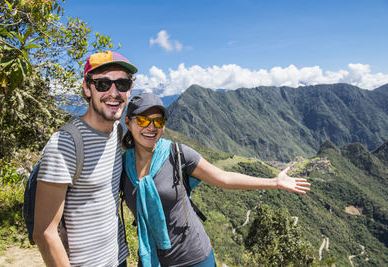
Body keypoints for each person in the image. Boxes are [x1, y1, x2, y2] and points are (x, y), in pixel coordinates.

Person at [121, 93, 311, 267]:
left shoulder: (177, 154)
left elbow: (224, 178)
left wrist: (273, 182)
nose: (151, 127)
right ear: (128, 123)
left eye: (158, 121)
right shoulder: (121, 167)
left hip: (193, 258)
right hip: (151, 260)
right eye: (144, 120)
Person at [33, 51, 138, 267]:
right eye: (102, 84)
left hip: (118, 259)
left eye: (122, 84)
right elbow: (44, 233)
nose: (114, 92)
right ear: (87, 88)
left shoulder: (116, 131)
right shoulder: (65, 144)